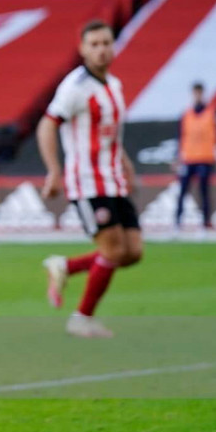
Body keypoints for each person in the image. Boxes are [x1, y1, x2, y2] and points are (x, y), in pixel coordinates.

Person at [39, 20, 141, 338]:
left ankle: (65, 267)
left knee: (132, 252)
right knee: (112, 251)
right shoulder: (75, 87)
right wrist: (54, 170)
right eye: (94, 44)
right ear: (82, 49)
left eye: (106, 43)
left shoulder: (114, 85)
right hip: (88, 181)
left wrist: (125, 163)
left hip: (114, 178)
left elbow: (110, 134)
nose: (101, 49)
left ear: (114, 47)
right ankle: (81, 318)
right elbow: (47, 125)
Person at [174, 81, 216, 229]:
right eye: (195, 92)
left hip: (205, 157)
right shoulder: (186, 114)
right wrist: (177, 157)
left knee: (204, 190)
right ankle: (177, 221)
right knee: (183, 190)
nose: (197, 95)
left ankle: (205, 222)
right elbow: (180, 136)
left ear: (203, 93)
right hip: (188, 158)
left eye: (199, 92)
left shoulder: (213, 112)